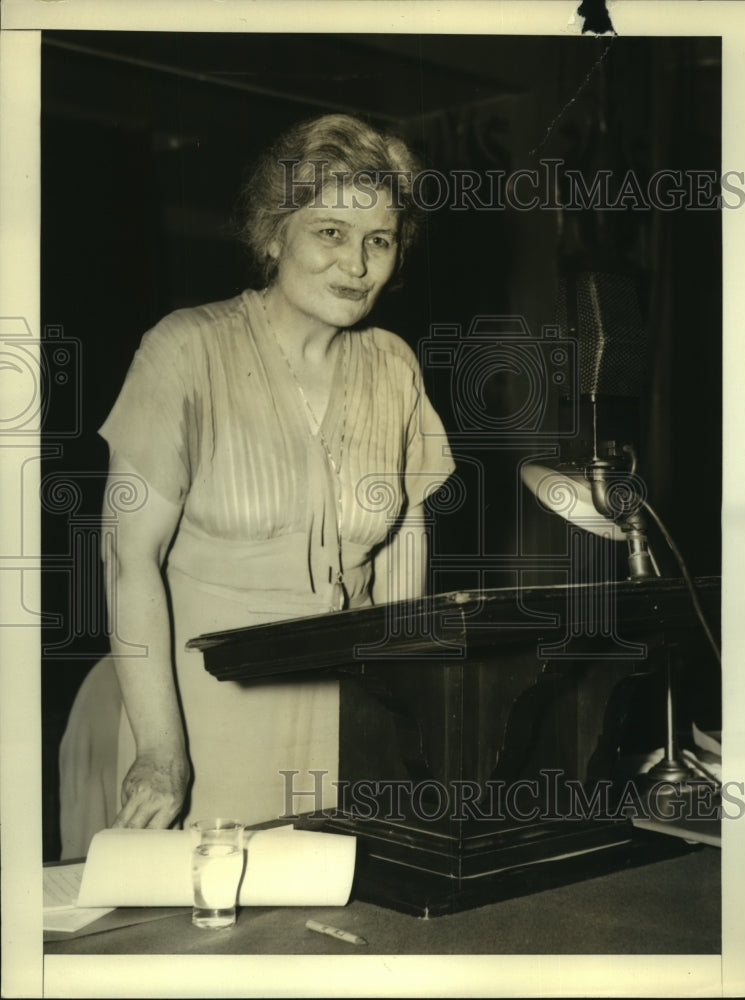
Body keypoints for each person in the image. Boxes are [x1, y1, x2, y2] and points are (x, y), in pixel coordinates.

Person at [59, 114, 455, 858]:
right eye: (330, 233)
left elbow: (405, 541)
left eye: (380, 240)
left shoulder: (393, 364)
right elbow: (129, 561)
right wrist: (161, 750)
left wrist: (408, 714)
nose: (358, 264)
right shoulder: (185, 349)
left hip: (349, 710)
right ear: (274, 235)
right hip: (203, 715)